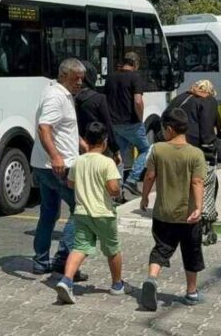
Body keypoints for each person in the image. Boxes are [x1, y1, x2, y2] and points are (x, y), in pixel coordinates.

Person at [139, 108, 208, 311]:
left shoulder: (158, 149)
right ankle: (192, 292)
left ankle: (152, 278)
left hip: (163, 213)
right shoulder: (195, 154)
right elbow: (197, 182)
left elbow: (149, 176)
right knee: (191, 252)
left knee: (161, 249)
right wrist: (199, 208)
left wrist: (144, 198)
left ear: (169, 129)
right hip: (188, 215)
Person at [56, 122, 127, 304]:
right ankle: (117, 284)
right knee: (112, 249)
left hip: (81, 212)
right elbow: (113, 189)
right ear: (104, 142)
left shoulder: (78, 161)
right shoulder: (107, 162)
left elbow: (71, 184)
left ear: (86, 141)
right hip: (103, 213)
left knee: (80, 248)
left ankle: (66, 280)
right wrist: (117, 190)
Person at [30, 59, 86, 278]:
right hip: (57, 166)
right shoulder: (56, 96)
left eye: (82, 78)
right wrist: (56, 156)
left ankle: (40, 261)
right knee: (79, 209)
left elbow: (62, 126)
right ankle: (63, 260)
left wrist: (79, 140)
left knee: (49, 212)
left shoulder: (58, 92)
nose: (80, 82)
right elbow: (45, 127)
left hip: (44, 165)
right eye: (76, 78)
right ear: (64, 76)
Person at [106, 52, 150, 197]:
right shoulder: (135, 77)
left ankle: (117, 193)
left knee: (119, 156)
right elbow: (138, 101)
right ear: (135, 64)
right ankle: (132, 180)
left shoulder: (111, 77)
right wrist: (140, 119)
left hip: (114, 124)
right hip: (131, 123)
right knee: (146, 150)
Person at [74, 61, 121, 163]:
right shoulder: (99, 98)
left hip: (77, 146)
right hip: (98, 146)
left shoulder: (70, 97)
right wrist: (116, 150)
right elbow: (108, 124)